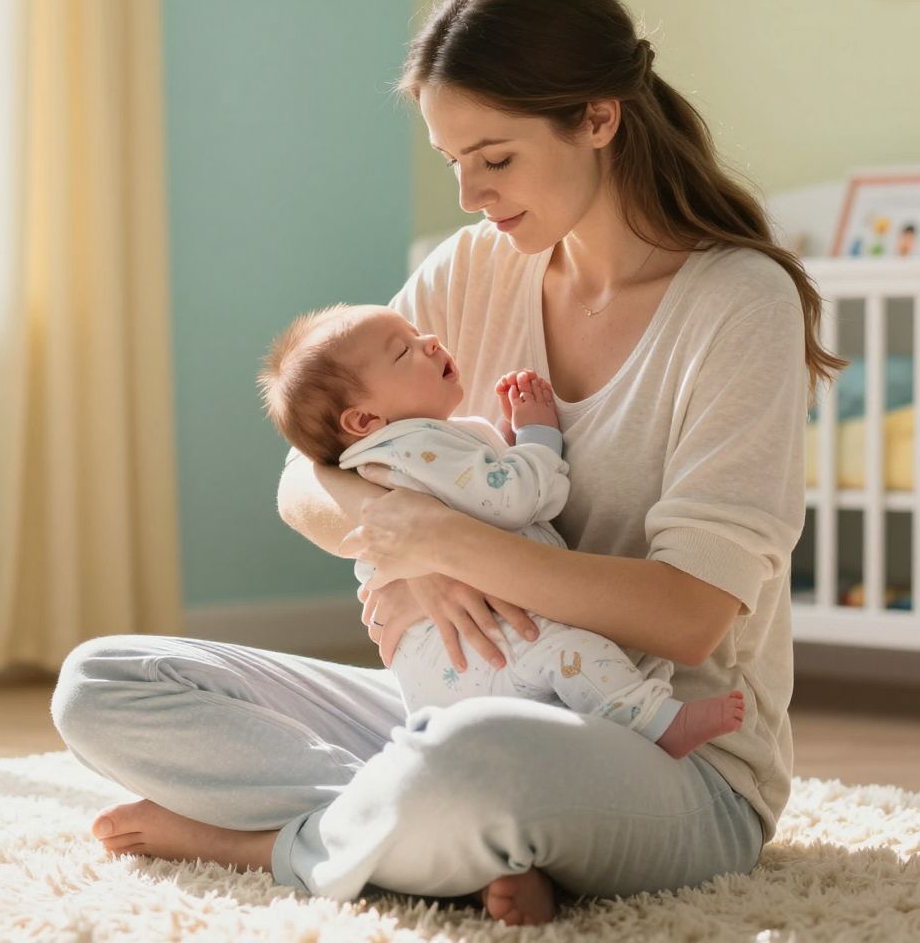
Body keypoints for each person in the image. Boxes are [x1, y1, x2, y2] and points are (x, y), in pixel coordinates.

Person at [52, 0, 843, 926]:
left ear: (597, 119)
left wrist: (444, 547)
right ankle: (438, 837)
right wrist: (400, 533)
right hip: (458, 705)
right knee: (103, 682)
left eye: (496, 159)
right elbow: (306, 478)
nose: (470, 195)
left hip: (666, 754)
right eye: (452, 162)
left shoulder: (737, 304)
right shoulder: (476, 265)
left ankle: (271, 845)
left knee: (472, 767)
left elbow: (688, 618)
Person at [257, 302, 747, 758]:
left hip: (450, 674)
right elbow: (513, 501)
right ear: (364, 418)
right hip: (492, 642)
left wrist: (433, 546)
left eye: (415, 332)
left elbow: (468, 498)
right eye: (405, 349)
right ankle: (656, 719)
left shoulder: (392, 452)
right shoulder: (414, 445)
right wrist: (537, 437)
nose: (429, 341)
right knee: (575, 653)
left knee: (522, 736)